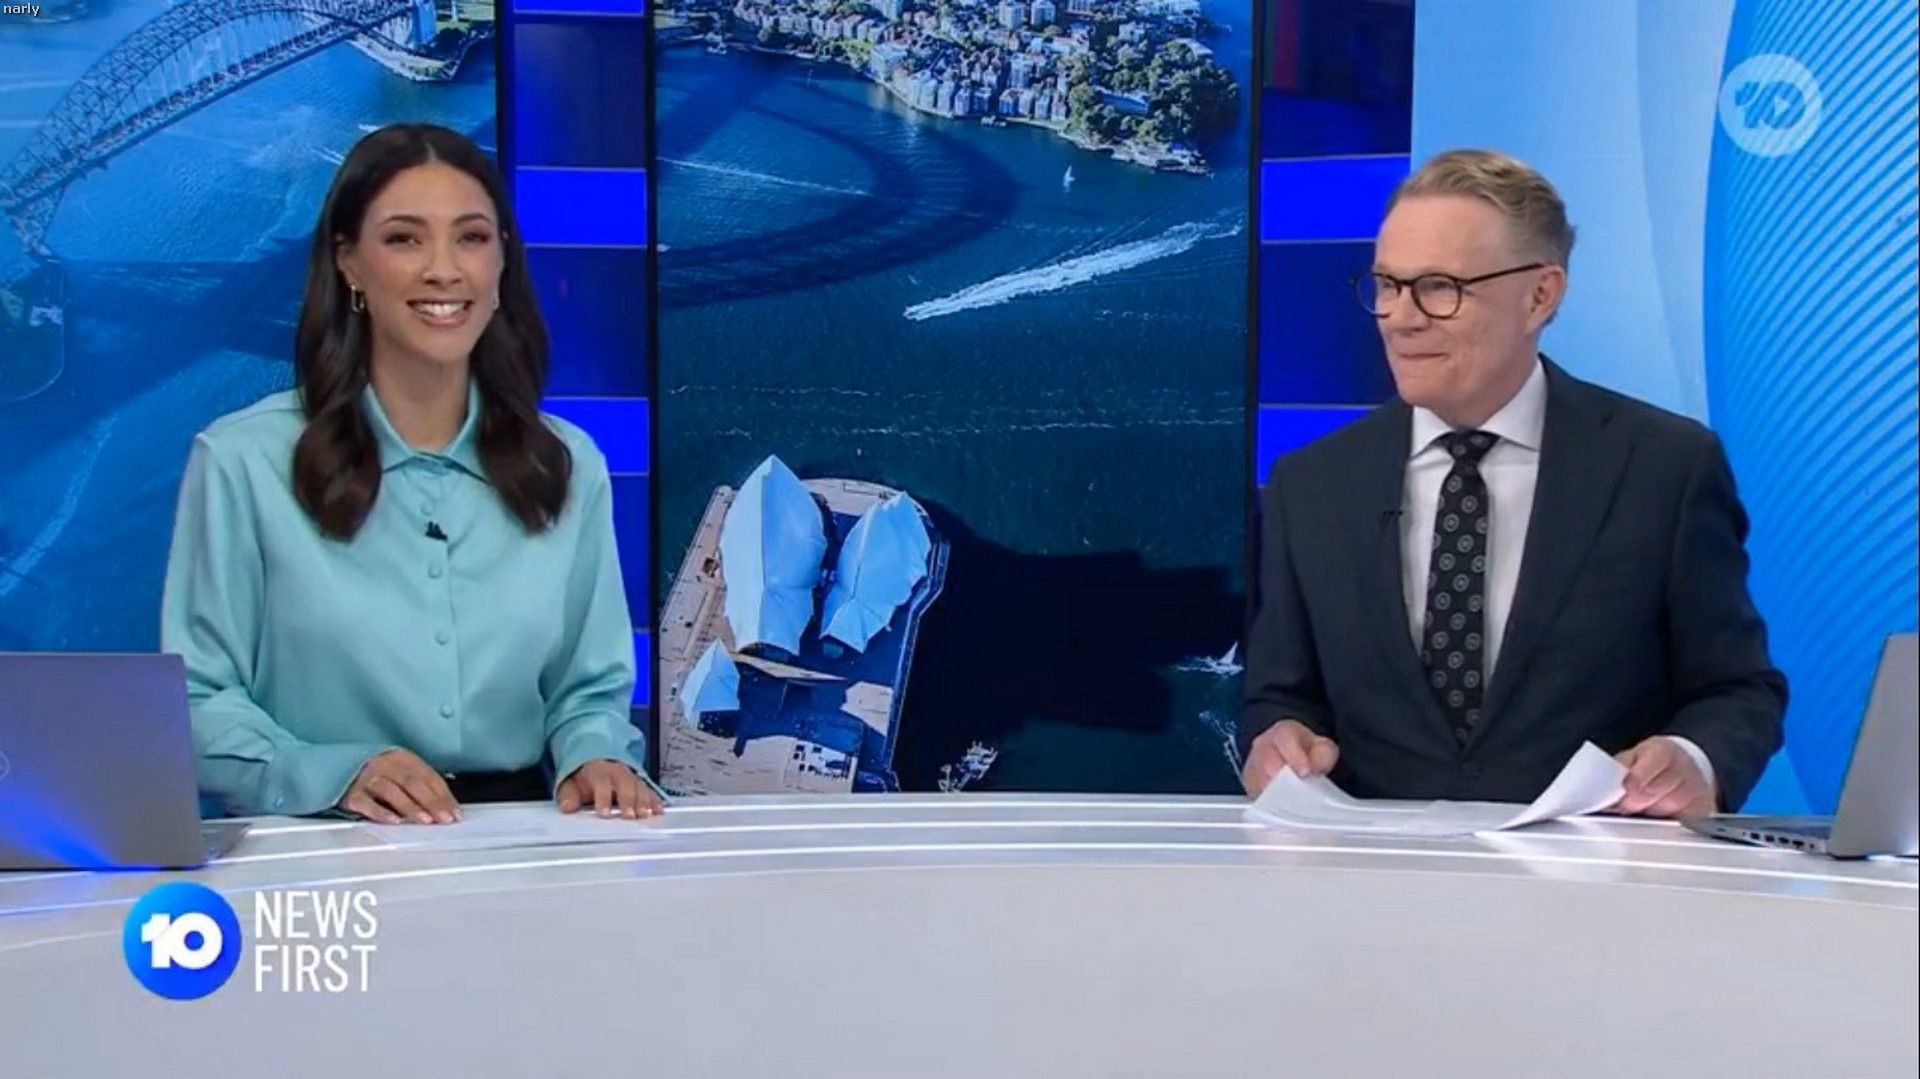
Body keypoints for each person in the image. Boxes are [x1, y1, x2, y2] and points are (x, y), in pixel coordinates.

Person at [1240, 149, 1785, 817]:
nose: (1401, 317)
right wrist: (1277, 741)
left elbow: (1736, 690)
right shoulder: (1311, 483)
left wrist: (1694, 758)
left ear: (1540, 296)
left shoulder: (1665, 467)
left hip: (1595, 871)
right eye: (1386, 284)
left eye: (1439, 287)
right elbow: (1281, 698)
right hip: (1369, 872)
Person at [161, 123, 662, 823]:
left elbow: (587, 691)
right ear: (349, 263)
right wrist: (333, 773)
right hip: (322, 837)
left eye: (471, 238)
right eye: (404, 239)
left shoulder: (567, 462)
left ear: (502, 262)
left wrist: (597, 755)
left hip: (521, 838)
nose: (444, 270)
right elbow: (196, 702)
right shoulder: (242, 462)